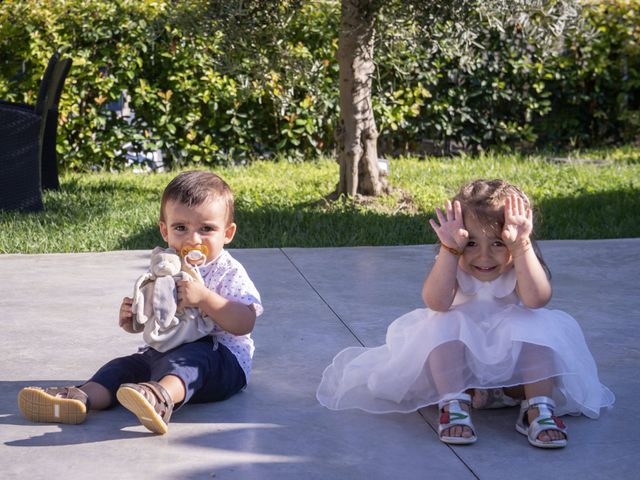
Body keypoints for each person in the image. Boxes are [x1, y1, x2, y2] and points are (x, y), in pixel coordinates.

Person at [316, 179, 614, 448]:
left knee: (537, 324)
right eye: (470, 243)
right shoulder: (454, 262)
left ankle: (537, 407)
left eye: (499, 243)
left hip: (514, 380)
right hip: (462, 375)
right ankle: (455, 403)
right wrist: (450, 250)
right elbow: (436, 301)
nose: (483, 256)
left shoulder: (520, 264)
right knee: (444, 322)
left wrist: (521, 247)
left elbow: (537, 299)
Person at [18, 170, 263, 434]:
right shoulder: (166, 265)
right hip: (164, 350)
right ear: (164, 230)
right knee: (124, 366)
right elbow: (155, 311)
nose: (193, 239)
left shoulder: (228, 270)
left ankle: (159, 398)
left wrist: (204, 298)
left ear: (228, 233)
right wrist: (134, 319)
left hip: (221, 360)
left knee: (195, 357)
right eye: (181, 228)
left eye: (206, 229)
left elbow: (244, 322)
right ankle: (80, 399)